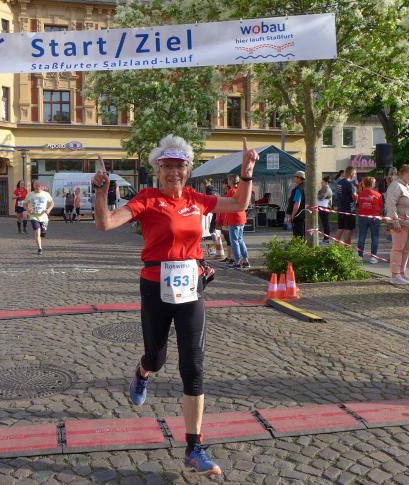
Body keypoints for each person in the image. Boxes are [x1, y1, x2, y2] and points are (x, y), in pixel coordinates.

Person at [93, 135, 258, 478]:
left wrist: (246, 172)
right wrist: (100, 192)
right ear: (158, 169)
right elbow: (105, 223)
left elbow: (238, 202)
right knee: (156, 358)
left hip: (191, 289)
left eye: (180, 166)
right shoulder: (147, 199)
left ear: (188, 169)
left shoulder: (197, 199)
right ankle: (142, 373)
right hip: (155, 286)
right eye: (167, 166)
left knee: (193, 365)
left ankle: (194, 447)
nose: (174, 172)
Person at [386, 165, 409, 284]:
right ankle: (395, 275)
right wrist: (395, 221)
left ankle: (402, 273)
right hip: (400, 223)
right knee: (398, 249)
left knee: (406, 250)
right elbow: (391, 204)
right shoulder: (396, 185)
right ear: (403, 173)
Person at [225, 174, 250, 269]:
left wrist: (225, 221)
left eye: (228, 180)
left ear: (231, 181)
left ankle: (237, 261)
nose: (227, 182)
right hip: (241, 217)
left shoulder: (231, 191)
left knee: (234, 241)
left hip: (234, 218)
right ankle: (246, 260)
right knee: (240, 239)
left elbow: (227, 205)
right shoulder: (241, 191)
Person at [356, 176, 383, 263]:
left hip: (362, 217)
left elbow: (358, 205)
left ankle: (360, 256)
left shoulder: (360, 194)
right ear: (373, 184)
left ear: (364, 184)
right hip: (374, 217)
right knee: (375, 237)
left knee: (361, 236)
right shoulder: (378, 195)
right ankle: (373, 257)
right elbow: (381, 206)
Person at [24, 179, 54, 255]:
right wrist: (28, 209)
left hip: (44, 217)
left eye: (39, 185)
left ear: (41, 186)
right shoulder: (30, 194)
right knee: (37, 232)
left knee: (42, 234)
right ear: (33, 186)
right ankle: (39, 248)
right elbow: (25, 204)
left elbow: (52, 203)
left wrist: (49, 209)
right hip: (34, 216)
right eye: (36, 185)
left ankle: (42, 235)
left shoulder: (46, 194)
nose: (37, 187)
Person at [334, 166, 357, 244]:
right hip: (349, 209)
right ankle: (346, 249)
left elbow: (337, 195)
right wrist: (356, 199)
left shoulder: (339, 183)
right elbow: (354, 197)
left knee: (340, 228)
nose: (355, 175)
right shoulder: (350, 184)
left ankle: (335, 247)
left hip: (340, 209)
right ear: (351, 173)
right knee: (348, 230)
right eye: (355, 173)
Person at [287, 171, 306, 239]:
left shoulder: (298, 189)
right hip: (304, 215)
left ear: (299, 178)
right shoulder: (306, 187)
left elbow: (297, 203)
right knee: (303, 235)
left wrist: (292, 216)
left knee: (298, 236)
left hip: (298, 216)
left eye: (296, 177)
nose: (295, 179)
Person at [317, 177, 333, 242]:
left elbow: (320, 197)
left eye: (322, 182)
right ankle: (325, 238)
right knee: (324, 223)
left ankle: (326, 238)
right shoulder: (323, 189)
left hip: (325, 207)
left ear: (326, 183)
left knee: (325, 223)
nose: (321, 183)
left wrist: (317, 195)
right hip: (322, 207)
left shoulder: (327, 189)